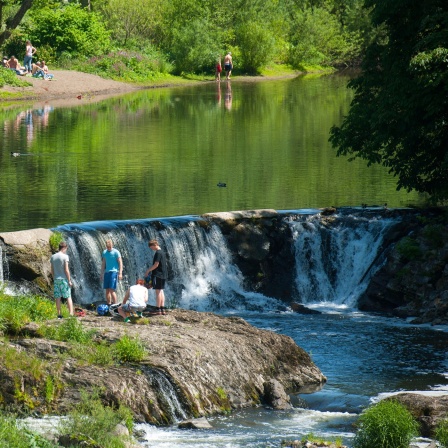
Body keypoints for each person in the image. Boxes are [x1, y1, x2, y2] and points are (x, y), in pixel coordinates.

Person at [50, 241, 74, 319]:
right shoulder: (65, 256)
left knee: (58, 297)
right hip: (64, 279)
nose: (66, 250)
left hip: (56, 279)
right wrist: (69, 280)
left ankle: (59, 314)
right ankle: (71, 314)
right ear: (64, 248)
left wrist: (54, 278)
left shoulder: (53, 257)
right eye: (66, 248)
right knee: (68, 296)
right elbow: (66, 270)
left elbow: (52, 270)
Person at [144, 239, 168, 315]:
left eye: (152, 248)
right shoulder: (162, 252)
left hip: (158, 274)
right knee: (161, 291)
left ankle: (157, 309)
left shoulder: (158, 253)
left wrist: (148, 270)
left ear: (155, 245)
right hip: (163, 274)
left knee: (157, 292)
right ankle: (162, 308)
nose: (152, 249)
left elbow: (156, 264)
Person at [100, 239, 123, 305]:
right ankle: (109, 304)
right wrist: (101, 273)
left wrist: (120, 273)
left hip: (114, 272)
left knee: (112, 290)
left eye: (110, 247)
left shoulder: (116, 252)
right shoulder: (104, 252)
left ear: (112, 245)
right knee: (107, 290)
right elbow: (103, 263)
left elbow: (120, 263)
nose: (109, 248)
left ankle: (115, 305)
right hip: (107, 272)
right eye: (108, 247)